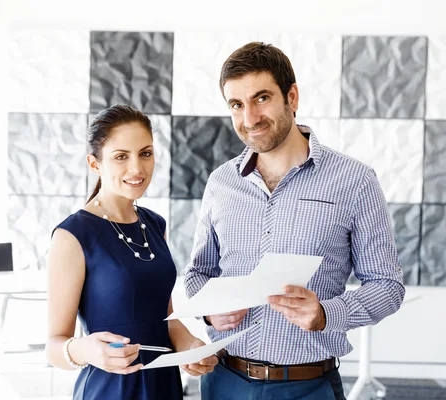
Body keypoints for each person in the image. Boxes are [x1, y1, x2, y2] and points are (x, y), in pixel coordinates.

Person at [184, 42, 405, 400]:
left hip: (308, 387)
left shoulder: (355, 181)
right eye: (236, 105)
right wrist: (210, 314)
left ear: (292, 96)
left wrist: (324, 314)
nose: (249, 118)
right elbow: (198, 273)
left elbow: (387, 286)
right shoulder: (221, 182)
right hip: (223, 382)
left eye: (262, 98)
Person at [47, 104, 217, 400]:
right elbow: (53, 346)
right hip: (111, 389)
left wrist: (190, 345)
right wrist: (85, 349)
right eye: (121, 157)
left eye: (145, 153)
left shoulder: (154, 224)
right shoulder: (72, 236)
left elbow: (166, 318)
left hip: (164, 385)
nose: (137, 168)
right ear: (94, 163)